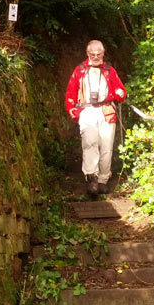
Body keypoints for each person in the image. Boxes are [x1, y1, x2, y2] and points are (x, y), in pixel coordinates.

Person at [65, 40, 126, 195]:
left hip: (106, 110)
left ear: (103, 53)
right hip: (87, 110)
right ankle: (92, 178)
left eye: (99, 54)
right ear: (88, 54)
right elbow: (71, 92)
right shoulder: (80, 70)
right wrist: (72, 110)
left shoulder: (109, 70)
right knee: (90, 142)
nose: (96, 56)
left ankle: (103, 180)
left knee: (106, 145)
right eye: (93, 54)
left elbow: (120, 89)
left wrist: (120, 93)